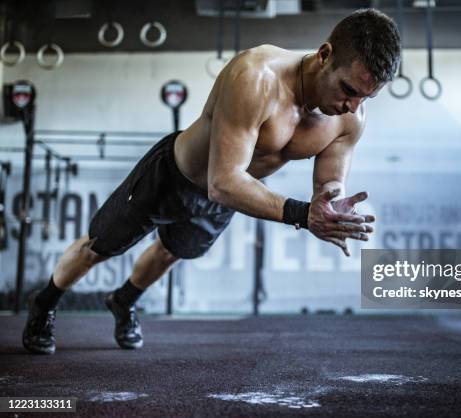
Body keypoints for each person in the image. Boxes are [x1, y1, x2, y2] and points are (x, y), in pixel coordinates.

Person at [22, 8, 401, 354]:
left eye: (366, 98)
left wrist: (331, 202)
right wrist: (304, 214)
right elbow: (223, 180)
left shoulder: (351, 117)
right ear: (324, 55)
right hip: (175, 175)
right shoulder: (256, 76)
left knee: (172, 251)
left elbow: (330, 180)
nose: (352, 106)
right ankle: (44, 305)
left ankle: (122, 301)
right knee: (99, 247)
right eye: (349, 90)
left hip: (226, 198)